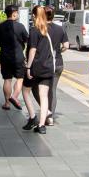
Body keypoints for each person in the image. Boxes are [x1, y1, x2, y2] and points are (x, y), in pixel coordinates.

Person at [22, 7, 57, 135]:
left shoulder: (34, 30)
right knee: (44, 97)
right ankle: (42, 126)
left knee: (25, 91)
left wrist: (28, 67)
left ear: (34, 15)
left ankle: (32, 117)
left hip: (35, 67)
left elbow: (32, 50)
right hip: (47, 68)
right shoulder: (49, 30)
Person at [0, 5, 27, 110]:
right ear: (14, 13)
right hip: (18, 57)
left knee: (7, 79)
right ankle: (14, 97)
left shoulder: (0, 26)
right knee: (20, 78)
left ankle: (7, 103)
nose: (18, 14)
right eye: (17, 12)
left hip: (5, 57)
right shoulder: (20, 26)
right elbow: (26, 40)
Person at [43, 6, 70, 126]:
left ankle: (47, 113)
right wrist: (59, 51)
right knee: (52, 90)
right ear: (53, 16)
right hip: (58, 63)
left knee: (43, 90)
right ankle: (51, 116)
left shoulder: (40, 29)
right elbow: (66, 45)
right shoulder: (60, 29)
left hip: (44, 64)